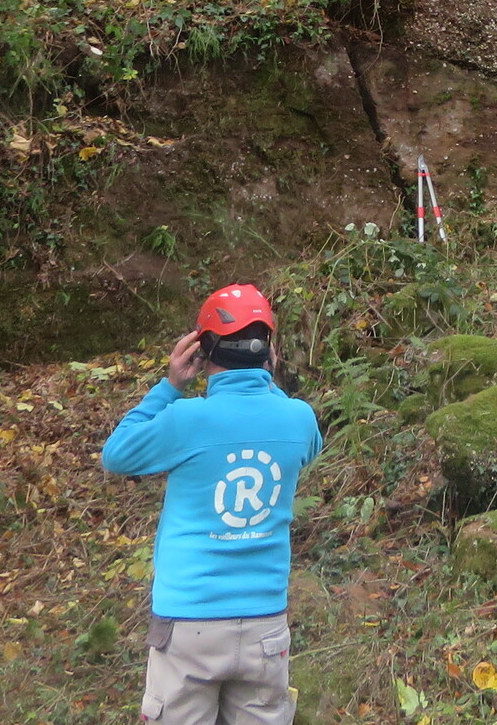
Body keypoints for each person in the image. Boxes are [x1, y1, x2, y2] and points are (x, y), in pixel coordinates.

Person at [101, 284, 323, 725]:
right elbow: (309, 447)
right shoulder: (299, 418)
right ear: (270, 351)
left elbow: (117, 454)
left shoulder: (186, 419)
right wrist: (265, 380)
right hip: (265, 624)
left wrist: (170, 386)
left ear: (202, 350)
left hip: (189, 623)